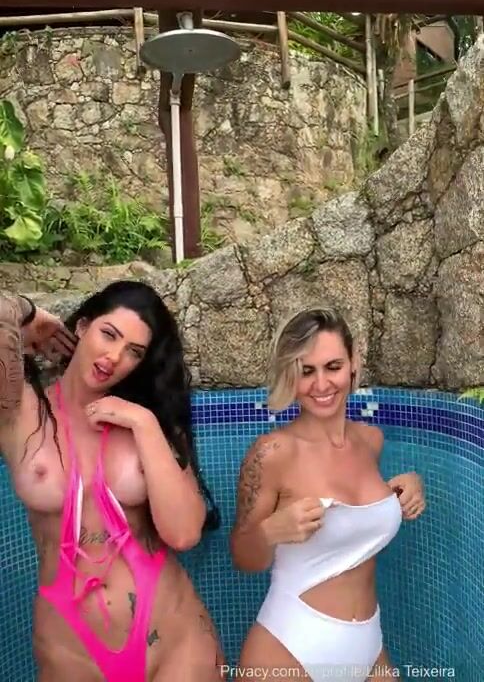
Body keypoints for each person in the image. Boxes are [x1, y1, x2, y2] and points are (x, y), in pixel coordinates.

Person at [0, 282, 224, 682]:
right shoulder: (21, 414)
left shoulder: (149, 419)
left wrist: (144, 424)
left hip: (174, 641)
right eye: (109, 334)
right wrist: (27, 313)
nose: (115, 357)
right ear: (83, 326)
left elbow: (184, 533)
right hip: (69, 651)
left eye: (134, 351)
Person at [230, 307, 426, 682]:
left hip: (368, 646)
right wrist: (271, 531)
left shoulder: (370, 440)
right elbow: (242, 557)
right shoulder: (272, 453)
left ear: (353, 363)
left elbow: (353, 515)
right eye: (307, 371)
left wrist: (403, 490)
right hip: (289, 647)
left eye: (332, 367)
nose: (321, 384)